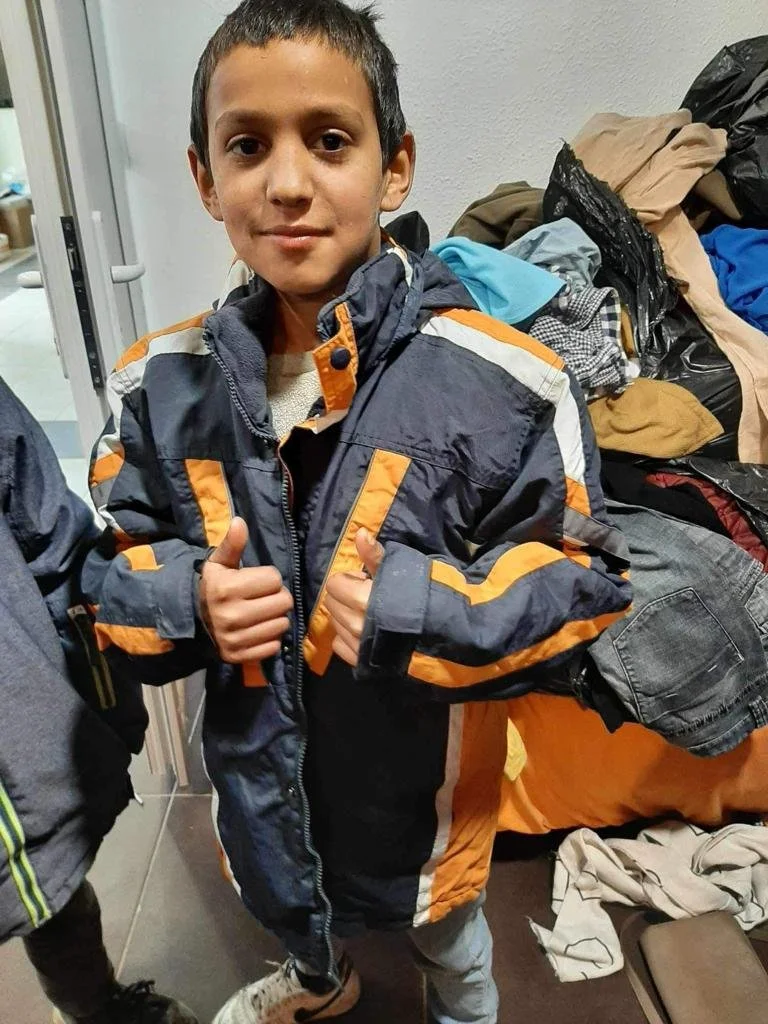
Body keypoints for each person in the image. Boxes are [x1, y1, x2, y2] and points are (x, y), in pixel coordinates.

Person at [82, 2, 633, 1021]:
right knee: (295, 911)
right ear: (205, 177)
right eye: (246, 145)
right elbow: (103, 572)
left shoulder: (508, 381)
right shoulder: (154, 383)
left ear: (394, 166)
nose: (288, 182)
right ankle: (317, 981)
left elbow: (583, 583)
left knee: (452, 945)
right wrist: (185, 601)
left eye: (329, 140)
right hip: (257, 784)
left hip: (423, 805)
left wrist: (418, 605)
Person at [0, 377, 198, 1024]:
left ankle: (99, 1008)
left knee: (54, 901)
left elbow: (52, 537)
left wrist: (108, 696)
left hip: (20, 744)